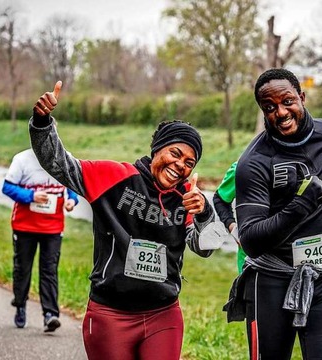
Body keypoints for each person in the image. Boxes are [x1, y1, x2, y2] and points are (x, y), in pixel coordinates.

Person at [28, 81, 215, 359]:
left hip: (163, 314)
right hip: (110, 313)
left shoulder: (188, 197)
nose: (180, 165)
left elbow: (206, 246)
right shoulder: (114, 177)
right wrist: (42, 122)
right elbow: (58, 163)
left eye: (190, 162)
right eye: (175, 153)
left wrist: (204, 213)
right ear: (158, 150)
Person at [224, 68, 322, 360]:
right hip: (271, 280)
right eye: (269, 108)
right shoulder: (254, 162)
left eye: (287, 101)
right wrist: (300, 205)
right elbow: (252, 240)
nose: (281, 112)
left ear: (302, 97)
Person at [2, 148, 80, 332]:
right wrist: (31, 196)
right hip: (24, 226)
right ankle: (20, 305)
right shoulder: (22, 159)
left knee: (49, 270)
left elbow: (71, 186)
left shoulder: (64, 157)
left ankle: (50, 314)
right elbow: (7, 187)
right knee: (23, 268)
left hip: (53, 227)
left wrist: (72, 200)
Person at [212, 161, 247, 274]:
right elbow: (220, 199)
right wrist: (233, 229)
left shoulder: (300, 164)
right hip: (251, 261)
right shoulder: (243, 167)